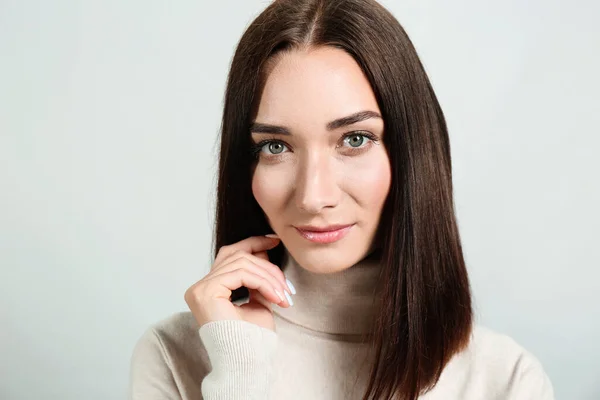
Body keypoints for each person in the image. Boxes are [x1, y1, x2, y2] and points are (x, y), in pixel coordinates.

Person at [128, 0, 554, 399]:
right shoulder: (173, 357)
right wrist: (240, 370)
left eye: (355, 139)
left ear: (412, 153)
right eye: (276, 146)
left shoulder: (504, 379)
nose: (314, 196)